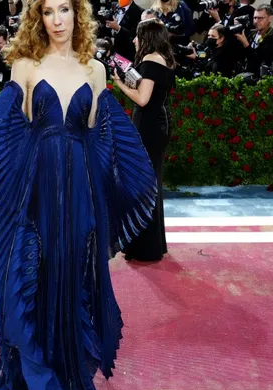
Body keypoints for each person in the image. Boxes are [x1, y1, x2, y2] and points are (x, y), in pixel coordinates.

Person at [0, 0, 158, 390]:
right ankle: (32, 370)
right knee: (33, 269)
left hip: (79, 188)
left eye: (64, 9)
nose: (57, 20)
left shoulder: (95, 70)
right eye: (47, 11)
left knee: (72, 268)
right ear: (37, 18)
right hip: (37, 186)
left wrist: (105, 194)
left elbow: (98, 135)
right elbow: (12, 130)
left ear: (78, 14)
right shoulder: (25, 65)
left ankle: (66, 367)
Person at [114, 19, 176, 262]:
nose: (134, 40)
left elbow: (142, 99)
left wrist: (119, 83)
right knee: (151, 181)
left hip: (149, 125)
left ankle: (145, 247)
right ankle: (151, 245)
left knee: (143, 183)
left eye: (137, 35)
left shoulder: (151, 60)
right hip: (158, 122)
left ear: (147, 37)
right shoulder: (164, 58)